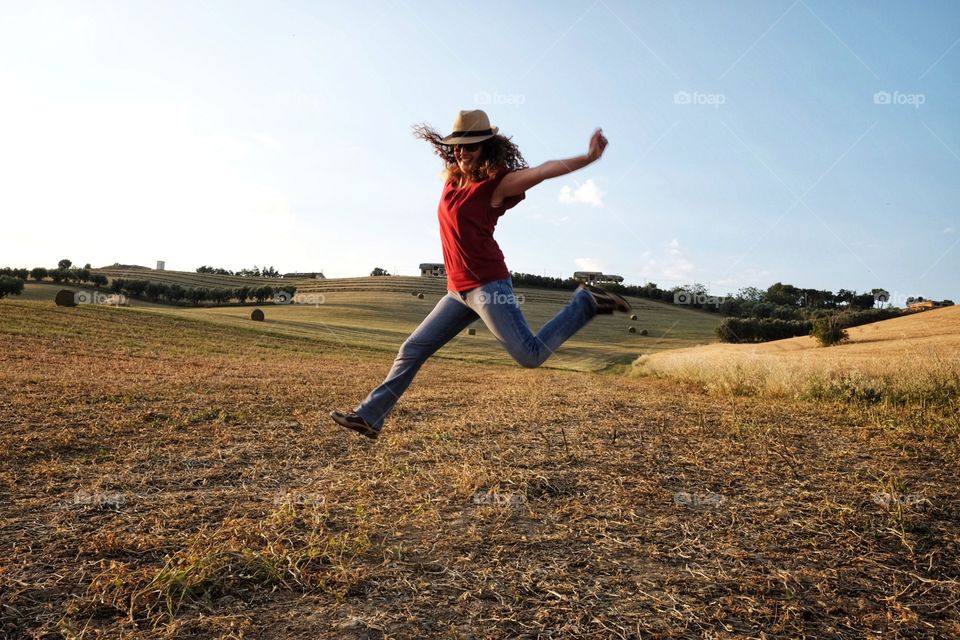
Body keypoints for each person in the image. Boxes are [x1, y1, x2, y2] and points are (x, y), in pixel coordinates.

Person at [331, 109, 630, 439]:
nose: (462, 152)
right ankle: (370, 416)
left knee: (530, 356)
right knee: (413, 348)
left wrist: (588, 158)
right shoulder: (451, 179)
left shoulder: (497, 185)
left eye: (470, 147)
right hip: (456, 292)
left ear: (486, 149)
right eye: (458, 146)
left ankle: (586, 302)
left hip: (489, 287)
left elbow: (544, 171)